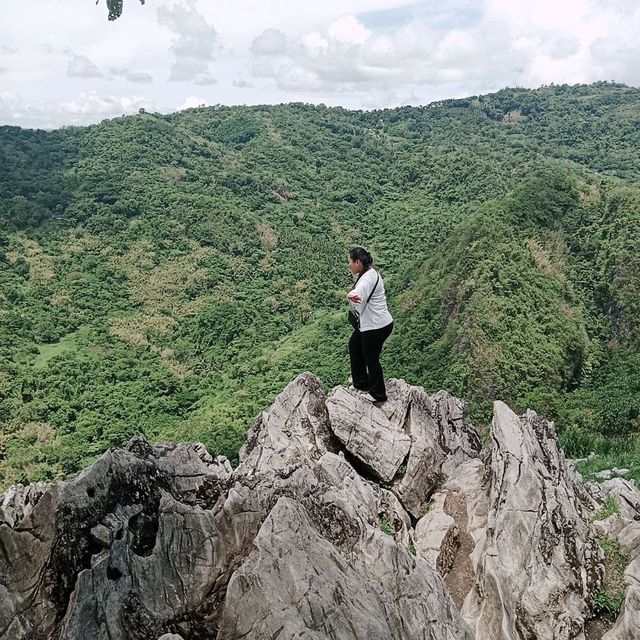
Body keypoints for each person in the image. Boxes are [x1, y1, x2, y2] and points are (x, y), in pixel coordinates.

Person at [346, 247, 394, 403]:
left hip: (375, 327)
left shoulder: (367, 279)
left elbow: (359, 292)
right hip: (377, 323)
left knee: (371, 358)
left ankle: (378, 393)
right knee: (354, 345)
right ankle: (361, 382)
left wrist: (351, 295)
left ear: (358, 262)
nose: (349, 265)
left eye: (350, 262)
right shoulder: (369, 273)